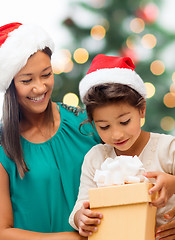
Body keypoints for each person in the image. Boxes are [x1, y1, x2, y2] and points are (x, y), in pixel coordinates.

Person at [0, 22, 101, 240]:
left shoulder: (84, 123)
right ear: (9, 85)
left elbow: (133, 172)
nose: (40, 88)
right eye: (27, 80)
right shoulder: (2, 147)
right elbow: (2, 231)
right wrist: (75, 238)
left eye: (46, 74)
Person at [69, 54, 175, 239]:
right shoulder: (96, 158)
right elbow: (82, 204)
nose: (116, 134)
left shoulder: (167, 149)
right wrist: (81, 217)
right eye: (104, 126)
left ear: (142, 109)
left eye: (124, 122)